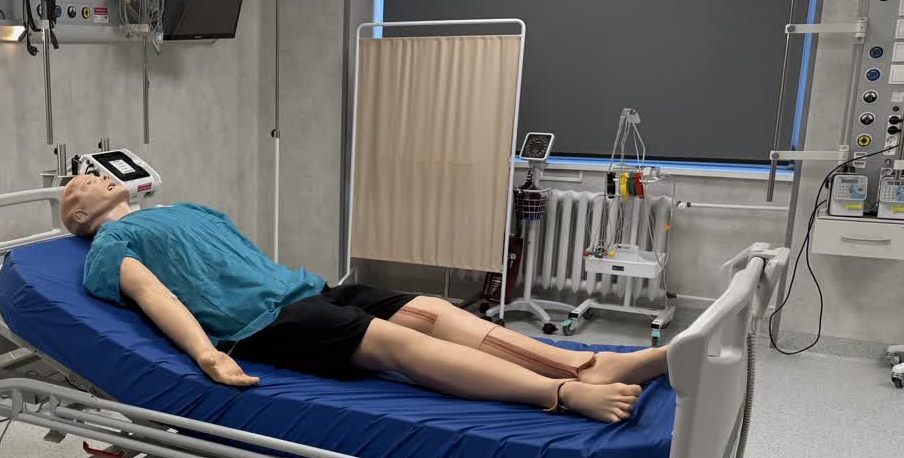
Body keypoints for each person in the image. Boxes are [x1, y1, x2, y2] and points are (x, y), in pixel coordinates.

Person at [60, 174, 667, 423]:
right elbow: (154, 295)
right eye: (80, 185)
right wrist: (207, 355)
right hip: (262, 324)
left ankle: (586, 363)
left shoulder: (183, 208)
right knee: (400, 344)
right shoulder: (110, 244)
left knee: (435, 311)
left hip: (308, 290)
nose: (95, 176)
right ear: (81, 218)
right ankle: (561, 394)